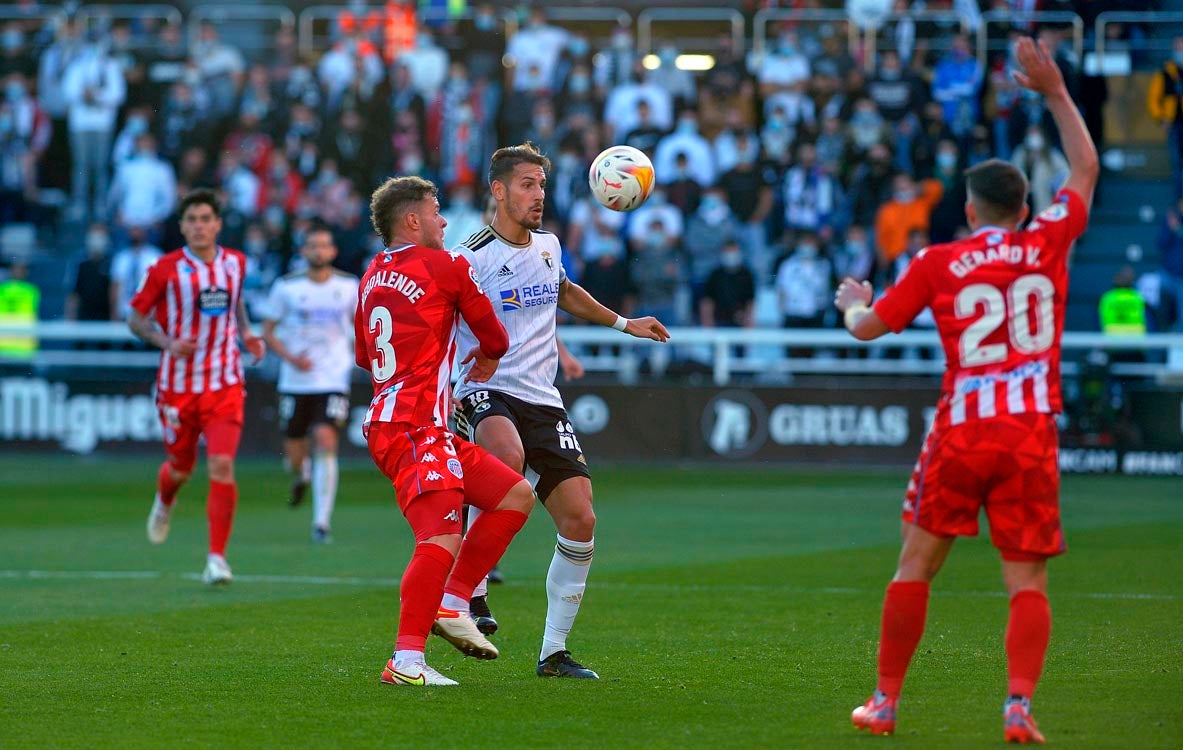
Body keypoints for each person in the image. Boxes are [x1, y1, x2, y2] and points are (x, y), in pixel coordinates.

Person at [833, 37, 1099, 744]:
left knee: (914, 565)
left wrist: (850, 302)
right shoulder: (1046, 242)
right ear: (1020, 206)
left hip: (961, 429)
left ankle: (884, 704)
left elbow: (868, 328)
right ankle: (1017, 706)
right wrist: (1054, 93)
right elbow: (1085, 166)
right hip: (1029, 431)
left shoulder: (938, 260)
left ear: (972, 209)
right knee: (1026, 584)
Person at [452, 143, 670, 678]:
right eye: (527, 184)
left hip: (541, 396)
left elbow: (564, 292)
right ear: (498, 190)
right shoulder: (471, 255)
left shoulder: (548, 246)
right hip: (486, 387)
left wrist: (625, 324)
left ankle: (553, 653)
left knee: (580, 518)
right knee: (504, 460)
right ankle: (472, 594)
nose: (538, 195)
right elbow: (441, 317)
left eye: (542, 185)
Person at [357, 175, 535, 687]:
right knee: (439, 535)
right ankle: (406, 661)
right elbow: (495, 338)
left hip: (408, 421)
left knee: (514, 496)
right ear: (413, 220)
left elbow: (363, 355)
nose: (444, 221)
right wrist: (481, 357)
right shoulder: (447, 264)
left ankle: (453, 601)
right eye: (437, 212)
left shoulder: (370, 276)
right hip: (414, 426)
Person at [129, 189, 267, 585]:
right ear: (182, 226)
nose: (200, 226)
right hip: (178, 387)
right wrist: (168, 342)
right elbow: (135, 319)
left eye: (206, 218)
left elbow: (237, 306)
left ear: (218, 224)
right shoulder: (165, 269)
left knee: (222, 465)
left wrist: (248, 334)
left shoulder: (236, 263)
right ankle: (165, 499)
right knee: (180, 467)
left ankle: (217, 558)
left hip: (224, 382)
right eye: (192, 219)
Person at [262, 224, 358, 542]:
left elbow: (362, 325)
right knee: (294, 450)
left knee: (325, 438)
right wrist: (290, 358)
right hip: (295, 379)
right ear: (304, 252)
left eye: (324, 245)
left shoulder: (349, 286)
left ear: (332, 251)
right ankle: (301, 473)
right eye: (312, 246)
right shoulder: (286, 287)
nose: (319, 251)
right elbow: (268, 329)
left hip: (333, 377)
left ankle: (321, 523)